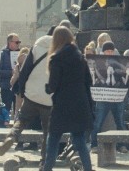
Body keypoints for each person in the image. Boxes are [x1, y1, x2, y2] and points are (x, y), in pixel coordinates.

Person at [0, 33, 54, 166]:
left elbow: (24, 71)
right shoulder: (57, 51)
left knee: (22, 119)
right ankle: (44, 161)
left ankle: (12, 136)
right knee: (48, 131)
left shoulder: (35, 48)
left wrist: (23, 92)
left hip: (32, 94)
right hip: (49, 97)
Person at [42, 26, 93, 171]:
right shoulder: (80, 58)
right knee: (79, 140)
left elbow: (53, 86)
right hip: (80, 103)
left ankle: (47, 168)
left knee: (53, 139)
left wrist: (47, 88)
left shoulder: (56, 59)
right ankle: (88, 168)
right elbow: (88, 81)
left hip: (62, 104)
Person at [90, 41, 129, 152]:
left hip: (117, 96)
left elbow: (124, 75)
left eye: (111, 51)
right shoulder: (99, 62)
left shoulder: (118, 61)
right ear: (103, 51)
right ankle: (94, 145)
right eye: (107, 51)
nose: (110, 53)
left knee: (120, 122)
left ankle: (121, 145)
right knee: (98, 122)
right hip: (103, 96)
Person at [0, 33, 21, 116]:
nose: (18, 44)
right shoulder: (2, 54)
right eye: (17, 42)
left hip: (18, 86)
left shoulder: (21, 54)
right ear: (10, 42)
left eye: (19, 42)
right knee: (5, 109)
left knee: (18, 110)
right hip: (6, 86)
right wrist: (11, 72)